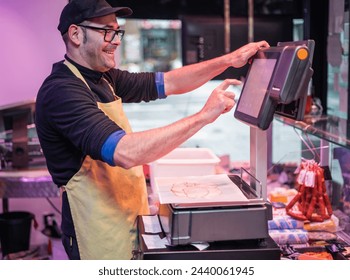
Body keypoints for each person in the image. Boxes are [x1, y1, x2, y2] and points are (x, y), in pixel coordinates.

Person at [35, 0, 270, 260]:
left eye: (118, 31)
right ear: (76, 34)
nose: (116, 40)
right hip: (96, 233)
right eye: (107, 31)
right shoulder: (62, 91)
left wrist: (230, 60)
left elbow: (169, 82)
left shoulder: (105, 77)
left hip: (125, 217)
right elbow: (125, 152)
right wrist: (204, 116)